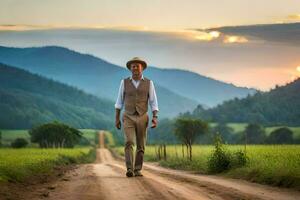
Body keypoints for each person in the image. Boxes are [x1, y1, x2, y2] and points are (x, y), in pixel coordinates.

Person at [115, 57, 159, 177]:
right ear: (130, 69)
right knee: (129, 142)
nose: (135, 68)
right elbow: (119, 102)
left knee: (141, 145)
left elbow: (153, 102)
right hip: (128, 116)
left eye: (137, 66)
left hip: (142, 116)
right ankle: (129, 168)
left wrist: (155, 117)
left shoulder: (149, 83)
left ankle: (137, 169)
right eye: (133, 66)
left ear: (142, 68)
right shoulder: (124, 82)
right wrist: (117, 118)